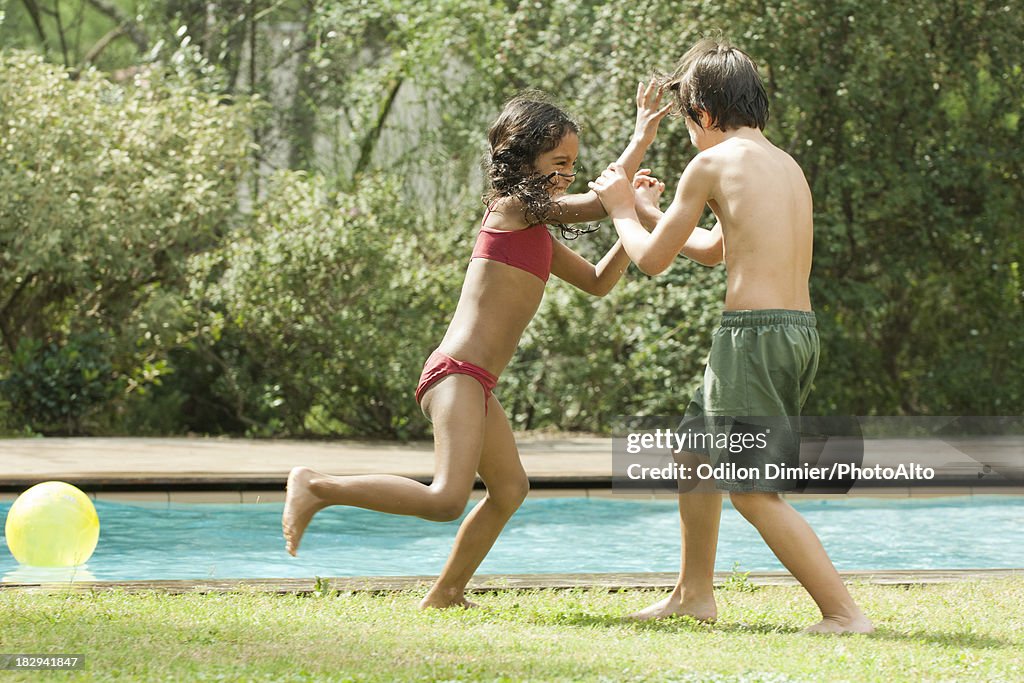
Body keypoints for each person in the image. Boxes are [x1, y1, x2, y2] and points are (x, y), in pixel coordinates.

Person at [282, 85, 671, 609]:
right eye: (559, 162)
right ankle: (318, 486)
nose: (568, 173)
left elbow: (600, 281)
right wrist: (641, 140)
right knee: (446, 498)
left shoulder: (538, 234)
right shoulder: (512, 210)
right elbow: (595, 205)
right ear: (523, 158)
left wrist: (634, 223)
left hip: (476, 383)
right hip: (456, 374)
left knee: (510, 489)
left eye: (573, 163)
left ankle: (445, 594)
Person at [589, 38, 873, 634]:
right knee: (694, 452)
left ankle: (843, 613)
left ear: (705, 114)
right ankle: (694, 594)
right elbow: (716, 249)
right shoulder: (786, 165)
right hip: (794, 332)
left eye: (689, 121)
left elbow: (650, 263)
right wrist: (645, 214)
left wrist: (619, 205)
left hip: (753, 338)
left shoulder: (710, 163)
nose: (690, 135)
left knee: (751, 489)